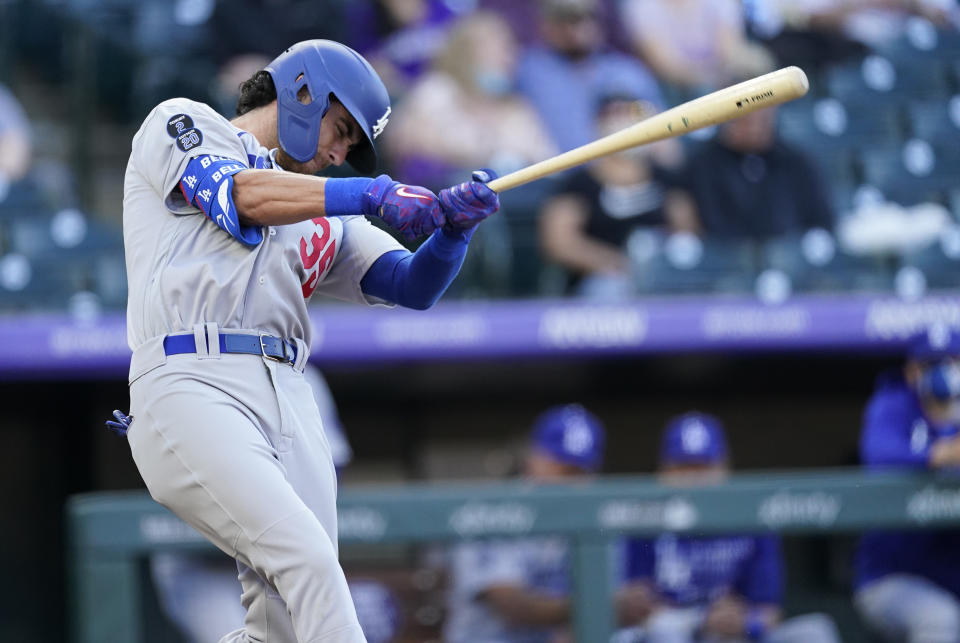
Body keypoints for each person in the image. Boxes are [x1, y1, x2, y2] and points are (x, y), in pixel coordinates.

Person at [115, 39, 499, 643]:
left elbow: (410, 284)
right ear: (301, 91)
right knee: (311, 565)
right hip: (192, 376)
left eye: (353, 146)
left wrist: (452, 233)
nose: (340, 153)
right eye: (340, 129)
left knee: (284, 624)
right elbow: (241, 195)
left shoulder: (326, 209)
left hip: (291, 391)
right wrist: (372, 194)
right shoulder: (184, 122)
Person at [148, 365, 353, 642]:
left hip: (278, 561)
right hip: (202, 566)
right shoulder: (180, 368)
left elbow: (329, 465)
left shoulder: (297, 369)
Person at [616, 412, 841, 643]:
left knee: (816, 632)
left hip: (736, 635)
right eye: (684, 467)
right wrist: (700, 619)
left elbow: (770, 611)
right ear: (663, 472)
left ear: (725, 469)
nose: (695, 479)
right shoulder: (643, 521)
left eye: (704, 467)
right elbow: (639, 609)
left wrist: (746, 622)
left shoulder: (753, 516)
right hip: (679, 631)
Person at [445, 403, 617, 643]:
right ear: (534, 459)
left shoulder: (598, 522)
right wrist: (599, 606)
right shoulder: (491, 512)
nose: (571, 483)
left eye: (580, 472)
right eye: (563, 469)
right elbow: (512, 607)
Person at [854, 325, 960, 643]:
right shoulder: (892, 405)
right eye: (930, 364)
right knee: (940, 619)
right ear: (912, 371)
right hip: (891, 576)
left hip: (952, 572)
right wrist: (937, 454)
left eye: (951, 361)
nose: (943, 371)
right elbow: (877, 453)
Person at [538, 92, 689, 298]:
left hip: (660, 276)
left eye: (634, 115)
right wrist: (619, 264)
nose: (625, 123)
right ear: (597, 124)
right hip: (602, 278)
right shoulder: (579, 184)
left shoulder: (665, 179)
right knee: (609, 288)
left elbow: (686, 230)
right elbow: (559, 242)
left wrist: (662, 260)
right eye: (615, 115)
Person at [384, 11, 556, 189]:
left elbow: (545, 162)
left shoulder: (517, 108)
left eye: (508, 50)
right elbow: (404, 142)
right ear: (465, 53)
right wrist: (482, 155)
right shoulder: (436, 91)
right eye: (494, 49)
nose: (507, 59)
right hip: (438, 197)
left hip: (513, 205)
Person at [670, 63, 834, 240]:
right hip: (726, 264)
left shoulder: (797, 163)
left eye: (762, 109)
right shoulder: (699, 164)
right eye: (745, 110)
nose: (754, 120)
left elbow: (822, 228)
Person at [514, 0, 664, 155]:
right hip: (559, 173)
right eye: (565, 18)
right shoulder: (528, 72)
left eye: (587, 17)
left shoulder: (628, 72)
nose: (576, 27)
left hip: (624, 171)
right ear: (546, 24)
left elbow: (664, 142)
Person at [618, 0, 750, 93]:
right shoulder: (641, 5)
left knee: (750, 65)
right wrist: (707, 79)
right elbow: (665, 65)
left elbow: (728, 50)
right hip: (670, 86)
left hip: (721, 75)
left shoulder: (719, 3)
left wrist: (718, 76)